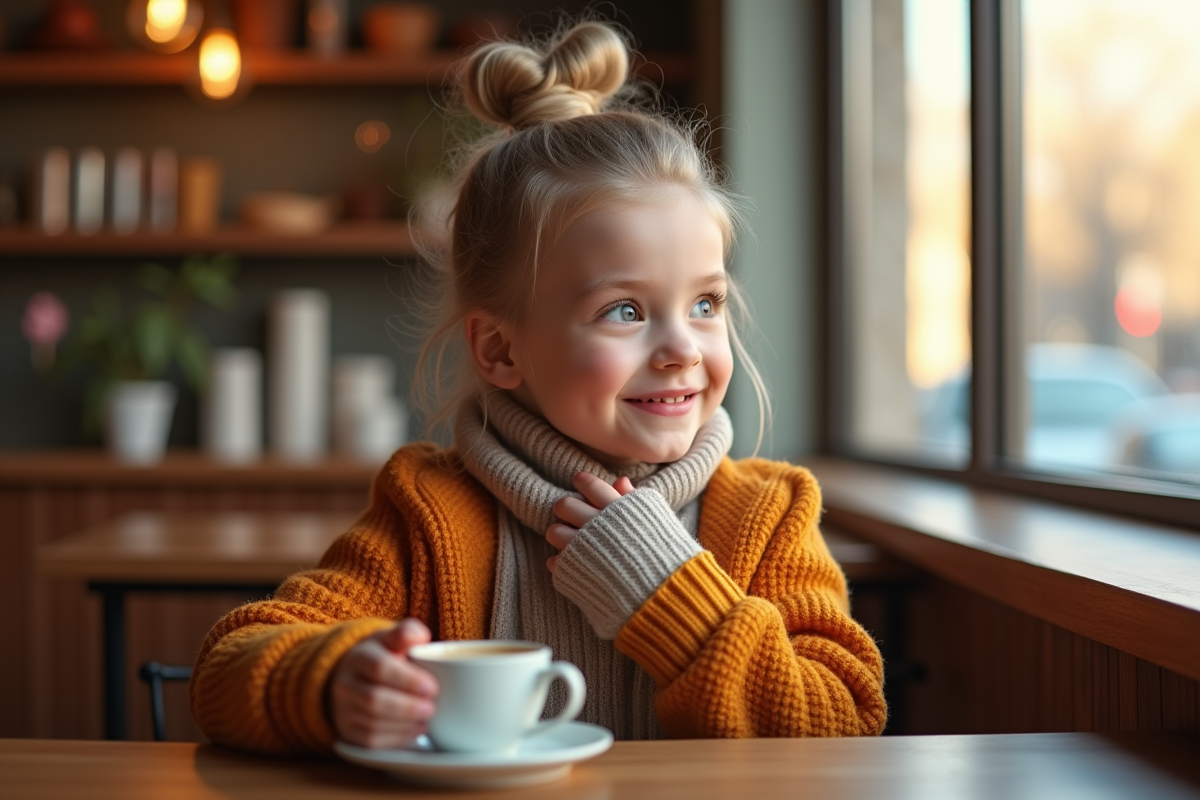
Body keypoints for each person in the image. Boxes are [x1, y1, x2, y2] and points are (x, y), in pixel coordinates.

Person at [189, 20, 887, 754]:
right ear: (499, 349)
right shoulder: (431, 512)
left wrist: (670, 593)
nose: (684, 348)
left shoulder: (767, 515)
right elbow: (225, 669)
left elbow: (841, 718)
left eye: (705, 305)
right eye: (625, 310)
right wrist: (331, 685)